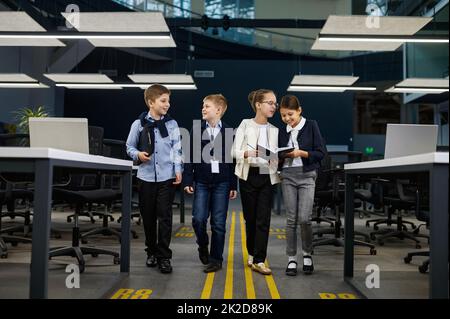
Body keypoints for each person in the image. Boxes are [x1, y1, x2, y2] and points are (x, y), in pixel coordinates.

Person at [126, 84, 183, 274]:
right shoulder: (138, 124)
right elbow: (129, 147)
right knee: (148, 218)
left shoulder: (172, 124)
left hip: (166, 177)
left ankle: (164, 257)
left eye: (168, 101)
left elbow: (177, 149)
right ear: (151, 102)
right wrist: (138, 155)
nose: (168, 104)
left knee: (165, 218)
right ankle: (151, 252)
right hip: (146, 177)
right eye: (163, 101)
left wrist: (178, 169)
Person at [183, 94, 238, 273]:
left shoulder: (229, 131)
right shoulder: (196, 129)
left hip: (222, 183)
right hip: (201, 181)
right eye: (203, 106)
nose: (203, 109)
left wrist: (232, 185)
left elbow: (231, 162)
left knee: (218, 223)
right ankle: (202, 244)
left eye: (207, 106)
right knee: (198, 219)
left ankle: (216, 259)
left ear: (219, 110)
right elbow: (189, 156)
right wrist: (188, 179)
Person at [231, 89, 280, 275]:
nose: (273, 106)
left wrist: (277, 158)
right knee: (250, 219)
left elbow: (277, 155)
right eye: (270, 102)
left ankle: (260, 260)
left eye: (274, 103)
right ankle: (251, 254)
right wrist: (246, 153)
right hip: (249, 175)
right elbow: (233, 152)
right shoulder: (245, 124)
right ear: (258, 105)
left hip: (267, 175)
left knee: (263, 220)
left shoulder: (275, 130)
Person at [278, 94, 326, 275]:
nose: (287, 119)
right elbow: (278, 154)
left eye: (290, 114)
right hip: (288, 175)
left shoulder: (311, 125)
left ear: (299, 111)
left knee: (305, 218)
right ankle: (291, 258)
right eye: (283, 115)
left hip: (307, 176)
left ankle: (307, 254)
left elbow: (321, 153)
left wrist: (301, 153)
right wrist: (281, 155)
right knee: (291, 219)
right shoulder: (282, 131)